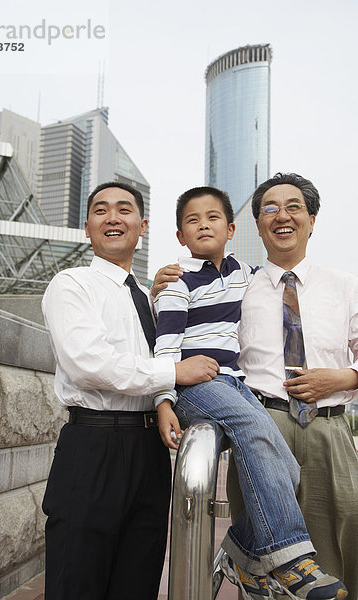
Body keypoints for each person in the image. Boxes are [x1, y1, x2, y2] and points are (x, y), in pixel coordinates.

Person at [152, 186, 347, 600]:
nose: (203, 225)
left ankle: (239, 551)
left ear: (232, 228)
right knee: (254, 426)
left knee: (287, 473)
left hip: (244, 388)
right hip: (203, 386)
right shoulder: (176, 281)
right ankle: (291, 561)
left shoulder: (247, 274)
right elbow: (165, 345)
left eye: (213, 218)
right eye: (192, 220)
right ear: (179, 235)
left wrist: (342, 377)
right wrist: (163, 399)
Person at [41, 181, 220, 600]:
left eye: (124, 210)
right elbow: (89, 365)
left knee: (138, 578)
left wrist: (164, 401)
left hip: (149, 452)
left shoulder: (147, 297)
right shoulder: (72, 284)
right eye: (101, 211)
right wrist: (175, 372)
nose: (112, 217)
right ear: (87, 227)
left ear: (142, 226)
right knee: (77, 578)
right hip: (93, 445)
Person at [230, 172, 358, 599]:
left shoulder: (345, 285)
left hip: (330, 429)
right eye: (269, 208)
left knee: (344, 542)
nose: (281, 216)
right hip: (262, 428)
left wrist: (342, 377)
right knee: (266, 561)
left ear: (312, 220)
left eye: (293, 207)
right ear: (258, 224)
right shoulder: (237, 287)